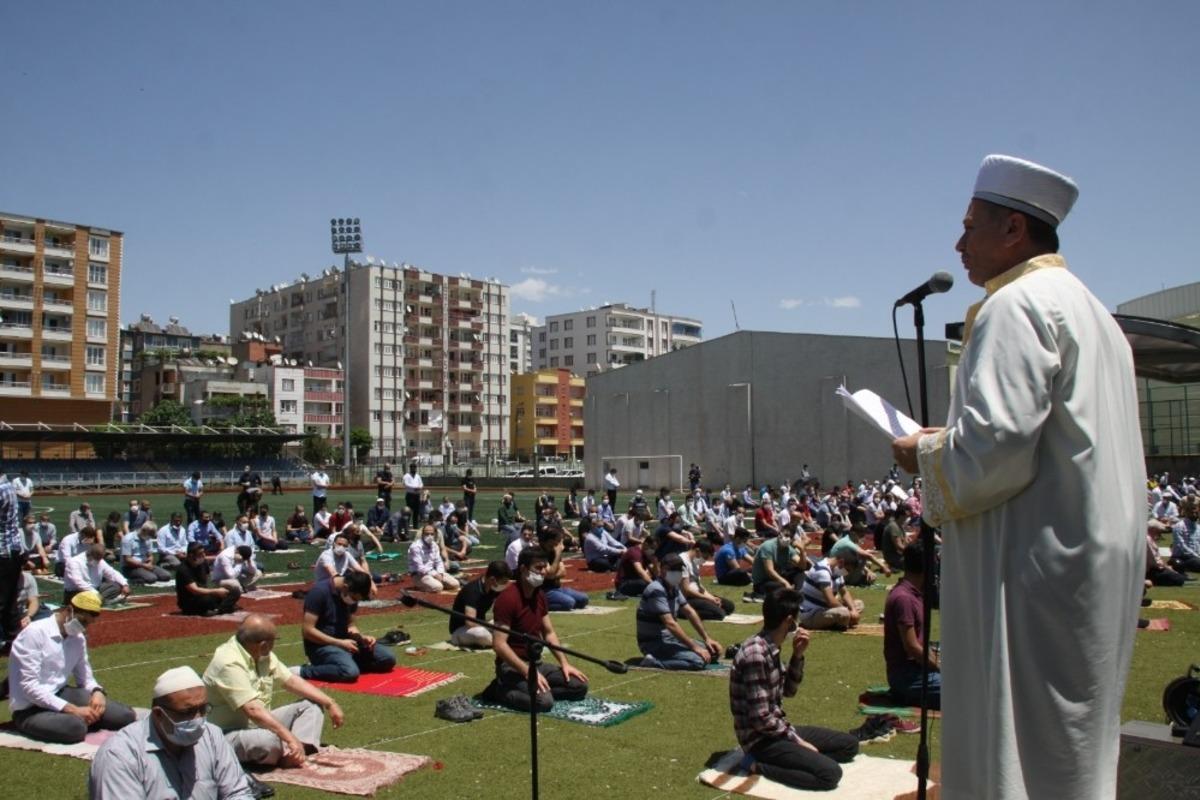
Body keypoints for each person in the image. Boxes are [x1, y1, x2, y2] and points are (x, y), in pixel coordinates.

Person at [891, 154, 1145, 799]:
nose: (959, 244)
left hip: (1032, 564)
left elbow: (994, 453)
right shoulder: (1095, 314)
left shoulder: (1015, 306)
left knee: (1017, 745)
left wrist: (923, 451)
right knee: (1074, 748)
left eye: (969, 227)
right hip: (1087, 561)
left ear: (1012, 229)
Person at [730, 588, 859, 790]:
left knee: (849, 745)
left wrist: (797, 656)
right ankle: (757, 765)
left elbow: (789, 691)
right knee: (830, 774)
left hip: (777, 730)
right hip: (760, 740)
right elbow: (760, 718)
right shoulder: (756, 654)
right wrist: (798, 741)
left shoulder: (771, 646)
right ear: (789, 620)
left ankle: (801, 760)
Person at [88, 665, 255, 799]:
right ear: (158, 714)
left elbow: (237, 793)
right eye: (187, 712)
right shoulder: (119, 756)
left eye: (203, 709)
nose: (198, 719)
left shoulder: (212, 736)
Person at [205, 613, 344, 767]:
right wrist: (289, 737)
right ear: (263, 645)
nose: (274, 645)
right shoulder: (228, 663)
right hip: (228, 733)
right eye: (274, 640)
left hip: (260, 724)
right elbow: (252, 710)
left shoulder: (261, 653)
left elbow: (290, 680)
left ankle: (297, 753)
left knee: (312, 705)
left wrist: (329, 702)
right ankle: (287, 751)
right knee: (266, 741)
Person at [7, 590, 136, 743]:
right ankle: (58, 720)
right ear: (69, 610)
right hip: (29, 707)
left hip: (59, 693)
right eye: (82, 621)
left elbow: (86, 678)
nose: (83, 627)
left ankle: (73, 718)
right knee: (76, 728)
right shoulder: (34, 633)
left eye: (88, 624)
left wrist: (97, 692)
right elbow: (29, 687)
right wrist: (72, 709)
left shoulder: (78, 639)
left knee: (124, 716)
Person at [488, 547, 588, 712]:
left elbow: (549, 633)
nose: (543, 572)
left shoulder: (539, 595)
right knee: (544, 703)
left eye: (545, 567)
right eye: (538, 568)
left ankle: (537, 690)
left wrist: (565, 664)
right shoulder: (507, 599)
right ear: (523, 569)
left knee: (579, 686)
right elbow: (499, 645)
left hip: (536, 663)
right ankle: (499, 690)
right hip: (512, 667)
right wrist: (527, 672)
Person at [297, 572, 396, 682]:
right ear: (345, 587)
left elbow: (351, 625)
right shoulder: (319, 593)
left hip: (346, 643)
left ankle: (340, 664)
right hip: (322, 646)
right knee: (349, 672)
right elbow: (308, 631)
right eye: (354, 598)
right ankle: (303, 671)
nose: (354, 602)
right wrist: (338, 643)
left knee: (387, 658)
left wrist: (361, 638)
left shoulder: (351, 594)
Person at [636, 553, 721, 670]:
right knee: (698, 661)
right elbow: (670, 623)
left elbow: (689, 612)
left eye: (679, 569)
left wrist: (707, 638)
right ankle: (654, 661)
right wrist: (695, 647)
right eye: (673, 569)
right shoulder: (656, 590)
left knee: (712, 652)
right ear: (663, 569)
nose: (678, 572)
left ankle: (672, 656)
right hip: (653, 643)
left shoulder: (674, 588)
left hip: (670, 639)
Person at [883, 538, 940, 709]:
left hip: (914, 670)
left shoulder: (912, 593)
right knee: (963, 686)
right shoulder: (904, 599)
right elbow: (912, 647)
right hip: (907, 676)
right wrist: (938, 667)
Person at [798, 543, 862, 631]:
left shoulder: (836, 570)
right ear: (841, 562)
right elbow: (831, 601)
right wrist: (849, 611)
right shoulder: (822, 571)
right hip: (811, 614)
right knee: (844, 613)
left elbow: (844, 592)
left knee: (858, 604)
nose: (847, 573)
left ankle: (841, 621)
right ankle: (841, 621)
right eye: (847, 570)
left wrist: (853, 610)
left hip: (825, 609)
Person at [448, 561, 511, 648]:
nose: (505, 585)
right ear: (492, 579)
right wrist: (491, 626)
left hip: (482, 625)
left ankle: (500, 639)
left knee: (505, 623)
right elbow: (470, 623)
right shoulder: (472, 591)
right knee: (481, 634)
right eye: (503, 582)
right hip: (462, 630)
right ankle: (501, 641)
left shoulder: (493, 588)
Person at [176, 543, 240, 616]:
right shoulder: (183, 569)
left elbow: (207, 581)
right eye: (200, 553)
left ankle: (219, 609)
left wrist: (218, 590)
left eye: (204, 552)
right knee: (206, 600)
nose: (204, 555)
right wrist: (215, 591)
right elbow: (194, 590)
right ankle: (222, 607)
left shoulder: (203, 563)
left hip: (205, 593)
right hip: (191, 599)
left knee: (234, 591)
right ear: (191, 555)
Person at [64, 544, 131, 607]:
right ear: (90, 554)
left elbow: (112, 573)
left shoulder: (99, 561)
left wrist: (125, 584)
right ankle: (101, 601)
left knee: (116, 586)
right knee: (85, 597)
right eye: (97, 558)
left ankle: (100, 601)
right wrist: (95, 594)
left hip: (95, 590)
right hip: (77, 592)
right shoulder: (74, 562)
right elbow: (78, 583)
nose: (99, 561)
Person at [682, 539, 734, 620]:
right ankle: (682, 612)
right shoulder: (683, 561)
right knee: (719, 614)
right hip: (686, 598)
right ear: (698, 550)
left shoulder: (695, 562)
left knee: (729, 606)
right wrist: (708, 599)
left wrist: (711, 598)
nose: (704, 560)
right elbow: (686, 590)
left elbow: (699, 586)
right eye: (705, 557)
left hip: (697, 595)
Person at [408, 524, 460, 592]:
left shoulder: (434, 545)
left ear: (435, 534)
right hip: (419, 574)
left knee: (455, 584)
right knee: (438, 587)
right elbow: (420, 568)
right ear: (422, 534)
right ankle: (420, 585)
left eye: (432, 534)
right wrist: (435, 575)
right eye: (427, 534)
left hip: (434, 571)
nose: (429, 536)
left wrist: (440, 573)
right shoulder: (415, 547)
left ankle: (433, 583)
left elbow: (438, 561)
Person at [750, 533, 803, 598]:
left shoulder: (788, 548)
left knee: (799, 572)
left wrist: (802, 550)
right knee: (781, 587)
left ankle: (798, 592)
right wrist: (785, 583)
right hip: (763, 582)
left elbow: (802, 566)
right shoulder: (768, 547)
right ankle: (793, 593)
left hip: (777, 578)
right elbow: (770, 571)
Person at [614, 526, 655, 597]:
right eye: (652, 548)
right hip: (624, 584)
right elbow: (640, 572)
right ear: (646, 544)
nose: (653, 550)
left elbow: (653, 570)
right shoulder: (634, 552)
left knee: (657, 581)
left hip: (635, 580)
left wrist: (655, 562)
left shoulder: (645, 553)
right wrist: (654, 585)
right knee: (645, 583)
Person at [1170, 495, 1200, 573]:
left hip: (1195, 556)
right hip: (1182, 557)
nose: (1195, 515)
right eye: (1192, 513)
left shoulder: (1198, 527)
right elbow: (1182, 546)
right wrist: (1196, 555)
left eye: (1196, 513)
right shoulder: (1179, 526)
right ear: (1186, 512)